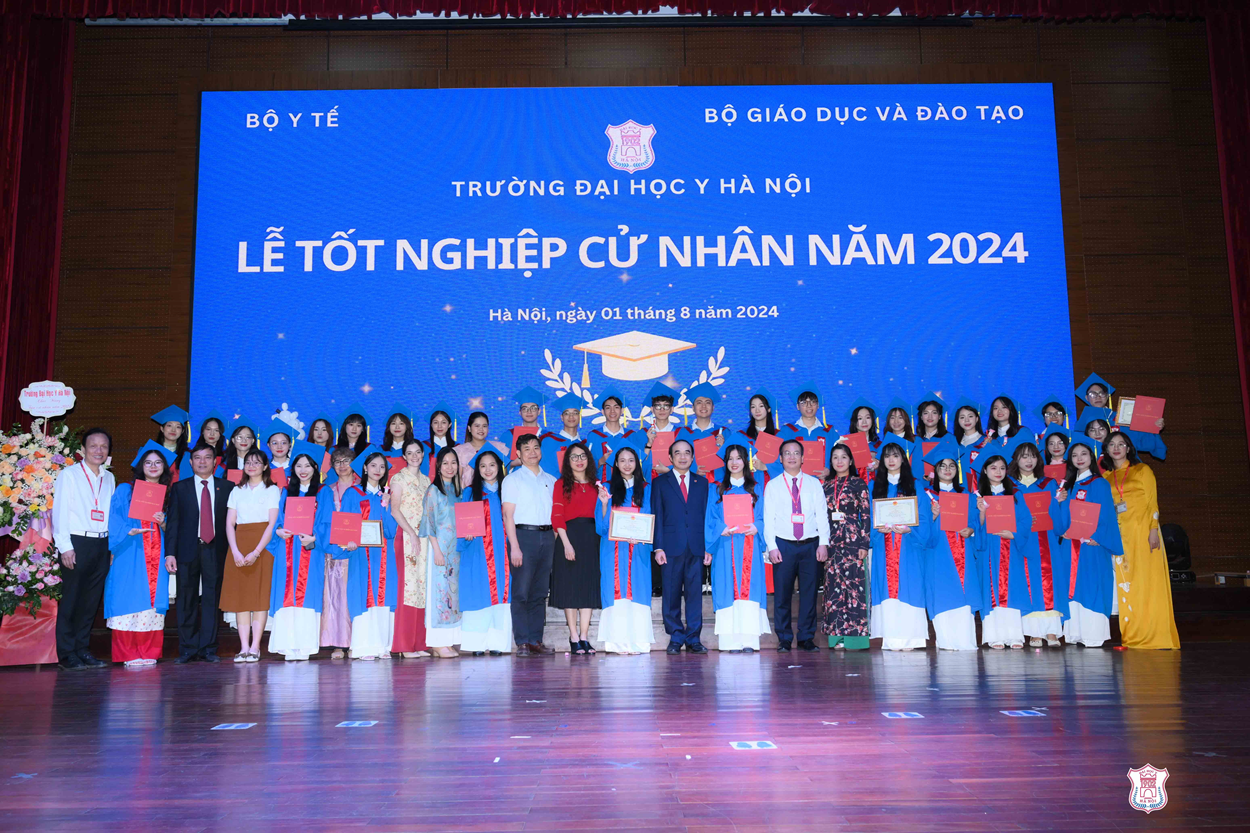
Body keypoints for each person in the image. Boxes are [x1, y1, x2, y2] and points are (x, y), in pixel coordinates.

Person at [1101, 432, 1180, 649]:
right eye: (1112, 445)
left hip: (1143, 533)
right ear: (1106, 450)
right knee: (1128, 584)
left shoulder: (1143, 470)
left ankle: (1155, 636)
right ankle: (1133, 637)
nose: (1116, 448)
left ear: (1128, 448)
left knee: (1148, 583)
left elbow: (1152, 503)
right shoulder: (1105, 478)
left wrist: (1154, 529)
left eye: (1121, 444)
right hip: (1120, 536)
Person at [104, 441, 174, 666]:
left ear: (164, 467)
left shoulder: (168, 495)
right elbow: (114, 519)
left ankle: (149, 652)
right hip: (131, 549)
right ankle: (128, 653)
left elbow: (175, 530)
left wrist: (164, 524)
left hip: (157, 552)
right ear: (140, 466)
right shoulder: (126, 490)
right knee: (128, 598)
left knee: (153, 603)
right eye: (148, 462)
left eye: (158, 462)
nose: (153, 466)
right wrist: (128, 530)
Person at [53, 427, 116, 669]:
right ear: (83, 450)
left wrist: (110, 548)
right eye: (93, 446)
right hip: (76, 543)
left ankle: (82, 649)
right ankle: (67, 653)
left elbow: (110, 515)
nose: (98, 450)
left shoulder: (109, 477)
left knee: (91, 601)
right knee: (71, 600)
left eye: (103, 446)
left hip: (101, 544)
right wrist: (65, 547)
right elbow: (59, 513)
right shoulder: (69, 475)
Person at [165, 441, 234, 663]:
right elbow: (173, 523)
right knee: (187, 599)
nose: (202, 462)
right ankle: (187, 648)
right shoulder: (180, 488)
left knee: (212, 599)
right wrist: (170, 553)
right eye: (197, 458)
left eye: (207, 458)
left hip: (216, 549)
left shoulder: (228, 487)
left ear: (215, 462)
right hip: (187, 549)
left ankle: (208, 648)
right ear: (191, 462)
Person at [762, 438, 830, 652]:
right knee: (782, 594)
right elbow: (768, 519)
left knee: (809, 594)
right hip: (784, 545)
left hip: (810, 545)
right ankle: (784, 638)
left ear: (803, 458)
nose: (791, 457)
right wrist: (772, 546)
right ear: (780, 458)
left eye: (796, 453)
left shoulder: (813, 483)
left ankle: (806, 637)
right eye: (787, 453)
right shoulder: (772, 485)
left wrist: (823, 543)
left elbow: (822, 516)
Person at [1057, 436, 1124, 647]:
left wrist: (1098, 537)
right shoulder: (1068, 487)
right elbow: (1062, 520)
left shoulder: (1099, 483)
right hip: (1071, 547)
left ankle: (1093, 635)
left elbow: (1106, 516)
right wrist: (1060, 506)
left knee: (1092, 587)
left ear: (1092, 458)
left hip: (1091, 547)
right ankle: (1074, 633)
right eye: (1074, 455)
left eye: (1084, 454)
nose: (1079, 458)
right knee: (1073, 588)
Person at [705, 444, 770, 652]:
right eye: (730, 458)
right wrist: (720, 529)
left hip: (749, 544)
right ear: (725, 462)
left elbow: (763, 517)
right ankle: (730, 642)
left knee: (749, 590)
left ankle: (749, 641)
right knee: (727, 590)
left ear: (746, 461)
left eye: (739, 458)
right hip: (726, 547)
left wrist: (756, 526)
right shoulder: (716, 489)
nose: (734, 462)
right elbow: (710, 519)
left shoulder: (756, 489)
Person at [336, 448, 399, 661]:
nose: (378, 470)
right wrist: (348, 541)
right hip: (361, 555)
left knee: (383, 597)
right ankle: (364, 647)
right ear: (364, 468)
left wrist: (387, 506)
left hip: (384, 555)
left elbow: (391, 531)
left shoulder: (385, 496)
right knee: (363, 596)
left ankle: (382, 646)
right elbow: (344, 524)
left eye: (382, 466)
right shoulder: (353, 493)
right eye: (373, 465)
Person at [1007, 435, 1069, 648]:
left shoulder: (1049, 484)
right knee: (1028, 584)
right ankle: (1034, 632)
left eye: (1032, 456)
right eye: (1024, 457)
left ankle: (1052, 632)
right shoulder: (1010, 487)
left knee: (1049, 581)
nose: (1028, 461)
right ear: (1016, 460)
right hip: (1022, 541)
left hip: (1046, 539)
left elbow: (1059, 522)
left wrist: (1060, 503)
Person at [868, 439, 929, 651]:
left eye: (896, 455)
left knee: (910, 587)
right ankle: (891, 638)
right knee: (887, 589)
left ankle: (912, 639)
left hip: (908, 548)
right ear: (881, 460)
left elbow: (923, 516)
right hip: (884, 548)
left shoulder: (915, 485)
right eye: (887, 456)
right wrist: (877, 530)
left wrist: (910, 529)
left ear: (903, 458)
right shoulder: (874, 487)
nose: (891, 460)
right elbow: (868, 518)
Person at [973, 448, 1037, 650]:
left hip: (1011, 547)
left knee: (1013, 589)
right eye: (993, 468)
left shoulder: (1015, 495)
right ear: (984, 471)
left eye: (1002, 467)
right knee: (991, 589)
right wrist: (982, 513)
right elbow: (975, 526)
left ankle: (1014, 636)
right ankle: (994, 636)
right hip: (990, 549)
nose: (998, 471)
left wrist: (1015, 535)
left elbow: (1026, 521)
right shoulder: (978, 498)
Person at [266, 444, 325, 661]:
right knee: (286, 593)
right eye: (298, 465)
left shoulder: (323, 492)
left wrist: (316, 537)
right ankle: (287, 645)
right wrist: (279, 531)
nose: (303, 469)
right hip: (287, 550)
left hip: (311, 551)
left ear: (315, 468)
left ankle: (305, 646)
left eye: (307, 465)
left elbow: (326, 520)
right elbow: (276, 522)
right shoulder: (285, 492)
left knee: (308, 594)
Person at [221, 447, 280, 662]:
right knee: (241, 599)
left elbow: (272, 524)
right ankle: (243, 647)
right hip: (239, 544)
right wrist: (235, 550)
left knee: (259, 598)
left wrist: (256, 552)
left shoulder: (272, 490)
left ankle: (255, 647)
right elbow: (229, 523)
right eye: (248, 462)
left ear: (265, 466)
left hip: (263, 546)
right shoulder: (237, 490)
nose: (252, 466)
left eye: (257, 462)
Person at [594, 446, 655, 654]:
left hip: (638, 550)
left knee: (638, 592)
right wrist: (603, 503)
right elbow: (601, 528)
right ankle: (617, 643)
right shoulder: (607, 488)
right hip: (613, 550)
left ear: (637, 463)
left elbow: (650, 521)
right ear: (616, 464)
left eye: (631, 460)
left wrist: (641, 536)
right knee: (616, 592)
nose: (627, 464)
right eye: (622, 460)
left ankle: (639, 642)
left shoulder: (646, 488)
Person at [920, 441, 980, 651]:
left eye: (951, 466)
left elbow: (974, 521)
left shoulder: (967, 496)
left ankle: (964, 641)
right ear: (935, 470)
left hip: (962, 550)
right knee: (941, 592)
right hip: (938, 552)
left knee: (964, 596)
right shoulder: (926, 495)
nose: (947, 469)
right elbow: (919, 526)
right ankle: (945, 641)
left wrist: (971, 529)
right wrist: (933, 516)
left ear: (957, 470)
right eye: (942, 466)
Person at [652, 438, 710, 654]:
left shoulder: (702, 483)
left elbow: (706, 517)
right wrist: (658, 547)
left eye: (687, 453)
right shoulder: (660, 482)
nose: (683, 457)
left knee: (695, 595)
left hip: (696, 547)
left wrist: (707, 548)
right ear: (670, 457)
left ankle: (694, 638)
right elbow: (656, 515)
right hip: (670, 547)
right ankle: (676, 637)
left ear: (693, 457)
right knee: (671, 594)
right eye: (678, 453)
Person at [501, 433, 557, 656]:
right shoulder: (512, 479)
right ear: (518, 454)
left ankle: (536, 639)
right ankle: (522, 641)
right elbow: (508, 515)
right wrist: (514, 546)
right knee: (521, 591)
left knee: (540, 592)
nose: (532, 452)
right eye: (527, 449)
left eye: (536, 447)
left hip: (547, 536)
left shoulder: (551, 480)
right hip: (523, 537)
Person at [458, 451, 513, 655]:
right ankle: (477, 644)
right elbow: (462, 524)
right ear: (477, 470)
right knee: (478, 592)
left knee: (501, 592)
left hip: (502, 551)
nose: (488, 470)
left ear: (499, 467)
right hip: (477, 551)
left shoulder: (507, 492)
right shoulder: (470, 493)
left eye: (492, 465)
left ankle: (498, 643)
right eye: (483, 466)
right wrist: (466, 535)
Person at [550, 441, 601, 654]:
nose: (579, 461)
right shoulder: (561, 484)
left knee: (588, 588)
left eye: (582, 456)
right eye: (574, 457)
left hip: (592, 538)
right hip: (568, 538)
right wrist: (566, 544)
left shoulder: (597, 485)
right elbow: (557, 517)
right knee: (570, 589)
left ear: (588, 459)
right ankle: (573, 637)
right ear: (567, 461)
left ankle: (584, 637)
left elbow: (603, 516)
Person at [820, 443, 871, 650]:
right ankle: (836, 637)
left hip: (852, 539)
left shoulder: (859, 483)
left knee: (854, 587)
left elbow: (866, 515)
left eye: (843, 457)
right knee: (833, 588)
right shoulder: (824, 485)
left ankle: (855, 639)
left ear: (851, 460)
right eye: (835, 457)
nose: (839, 461)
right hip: (831, 539)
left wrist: (864, 543)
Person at [388, 438, 431, 658]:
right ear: (403, 456)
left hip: (424, 539)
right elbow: (394, 510)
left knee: (422, 588)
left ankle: (420, 642)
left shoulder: (426, 481)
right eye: (409, 452)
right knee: (407, 590)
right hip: (405, 537)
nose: (414, 456)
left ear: (423, 455)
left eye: (418, 452)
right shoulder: (398, 478)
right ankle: (404, 645)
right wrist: (412, 534)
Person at [420, 446, 463, 657]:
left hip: (455, 552)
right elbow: (429, 524)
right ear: (438, 467)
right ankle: (436, 642)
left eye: (453, 462)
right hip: (439, 551)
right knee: (439, 593)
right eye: (445, 463)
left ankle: (449, 640)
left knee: (452, 594)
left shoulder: (458, 491)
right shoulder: (433, 491)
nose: (449, 467)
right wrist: (436, 550)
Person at [317, 448, 358, 658]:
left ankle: (356, 641)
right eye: (337, 461)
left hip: (358, 551)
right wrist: (330, 545)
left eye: (347, 460)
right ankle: (340, 643)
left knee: (355, 596)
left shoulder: (362, 488)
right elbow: (321, 522)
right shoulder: (327, 490)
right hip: (334, 550)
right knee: (335, 598)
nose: (342, 465)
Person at [588, 386, 642, 482]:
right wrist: (600, 461)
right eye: (608, 408)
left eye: (616, 407)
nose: (612, 411)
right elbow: (585, 466)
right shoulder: (593, 436)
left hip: (627, 488)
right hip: (601, 488)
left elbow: (639, 464)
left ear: (622, 411)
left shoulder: (631, 436)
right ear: (603, 411)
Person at [779, 384, 830, 479]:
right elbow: (776, 459)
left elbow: (839, 458)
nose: (808, 405)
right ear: (797, 406)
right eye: (803, 402)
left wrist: (830, 471)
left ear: (818, 405)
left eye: (812, 402)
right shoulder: (787, 431)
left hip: (823, 485)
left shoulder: (830, 432)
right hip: (794, 483)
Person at [455, 410, 509, 485]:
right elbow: (457, 480)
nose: (481, 429)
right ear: (469, 428)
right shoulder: (460, 451)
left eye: (484, 426)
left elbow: (504, 475)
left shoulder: (498, 448)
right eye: (477, 426)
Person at [539, 393, 585, 478]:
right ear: (562, 417)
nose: (571, 416)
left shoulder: (585, 444)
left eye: (575, 413)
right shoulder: (549, 441)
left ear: (579, 416)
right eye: (567, 413)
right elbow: (545, 471)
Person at [151, 405, 189, 483]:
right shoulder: (149, 451)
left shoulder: (187, 455)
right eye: (169, 425)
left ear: (182, 431)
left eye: (178, 427)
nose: (173, 430)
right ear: (162, 428)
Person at [424, 406, 456, 479]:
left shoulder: (457, 447)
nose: (439, 426)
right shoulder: (423, 446)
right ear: (431, 425)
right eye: (436, 422)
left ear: (449, 425)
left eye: (443, 422)